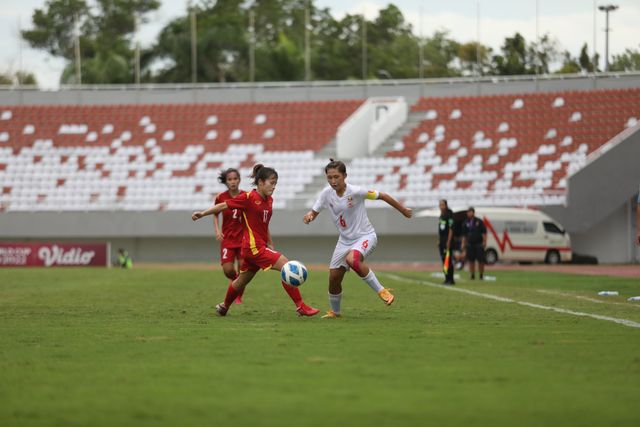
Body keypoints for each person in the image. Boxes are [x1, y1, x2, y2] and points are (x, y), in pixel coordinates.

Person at [192, 164, 320, 317]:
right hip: (254, 248)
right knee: (287, 266)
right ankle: (301, 306)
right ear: (260, 182)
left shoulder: (269, 200)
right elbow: (223, 205)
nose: (274, 187)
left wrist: (269, 241)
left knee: (241, 281)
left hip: (254, 247)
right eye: (271, 183)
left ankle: (224, 306)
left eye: (275, 183)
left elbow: (263, 225)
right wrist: (202, 213)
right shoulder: (248, 198)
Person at [303, 159, 413, 318]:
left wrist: (403, 210)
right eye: (330, 177)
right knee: (334, 278)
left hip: (365, 236)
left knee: (352, 260)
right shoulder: (326, 194)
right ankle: (335, 312)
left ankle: (382, 291)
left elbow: (383, 195)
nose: (333, 181)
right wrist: (309, 216)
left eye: (336, 177)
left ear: (345, 176)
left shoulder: (356, 191)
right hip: (344, 240)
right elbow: (314, 211)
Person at [213, 168, 245, 304]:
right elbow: (215, 212)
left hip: (243, 238)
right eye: (230, 179)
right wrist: (217, 230)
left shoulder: (245, 196)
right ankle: (236, 282)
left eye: (235, 179)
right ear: (226, 182)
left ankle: (238, 296)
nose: (233, 182)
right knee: (228, 270)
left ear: (239, 180)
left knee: (243, 267)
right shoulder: (220, 197)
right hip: (228, 239)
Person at [461, 207, 487, 280]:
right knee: (471, 260)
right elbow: (464, 235)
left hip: (479, 243)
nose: (469, 213)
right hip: (470, 244)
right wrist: (463, 243)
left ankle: (481, 275)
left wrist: (484, 242)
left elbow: (484, 233)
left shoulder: (479, 221)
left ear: (473, 212)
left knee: (481, 260)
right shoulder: (465, 222)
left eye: (470, 212)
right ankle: (472, 275)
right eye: (468, 212)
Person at [438, 199, 455, 285]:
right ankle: (446, 278)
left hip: (448, 241)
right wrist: (439, 241)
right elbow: (440, 230)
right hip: (442, 241)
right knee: (444, 259)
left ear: (446, 205)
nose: (441, 207)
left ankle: (451, 279)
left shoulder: (449, 214)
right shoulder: (441, 215)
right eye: (440, 205)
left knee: (448, 259)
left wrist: (448, 241)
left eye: (443, 205)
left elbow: (451, 229)